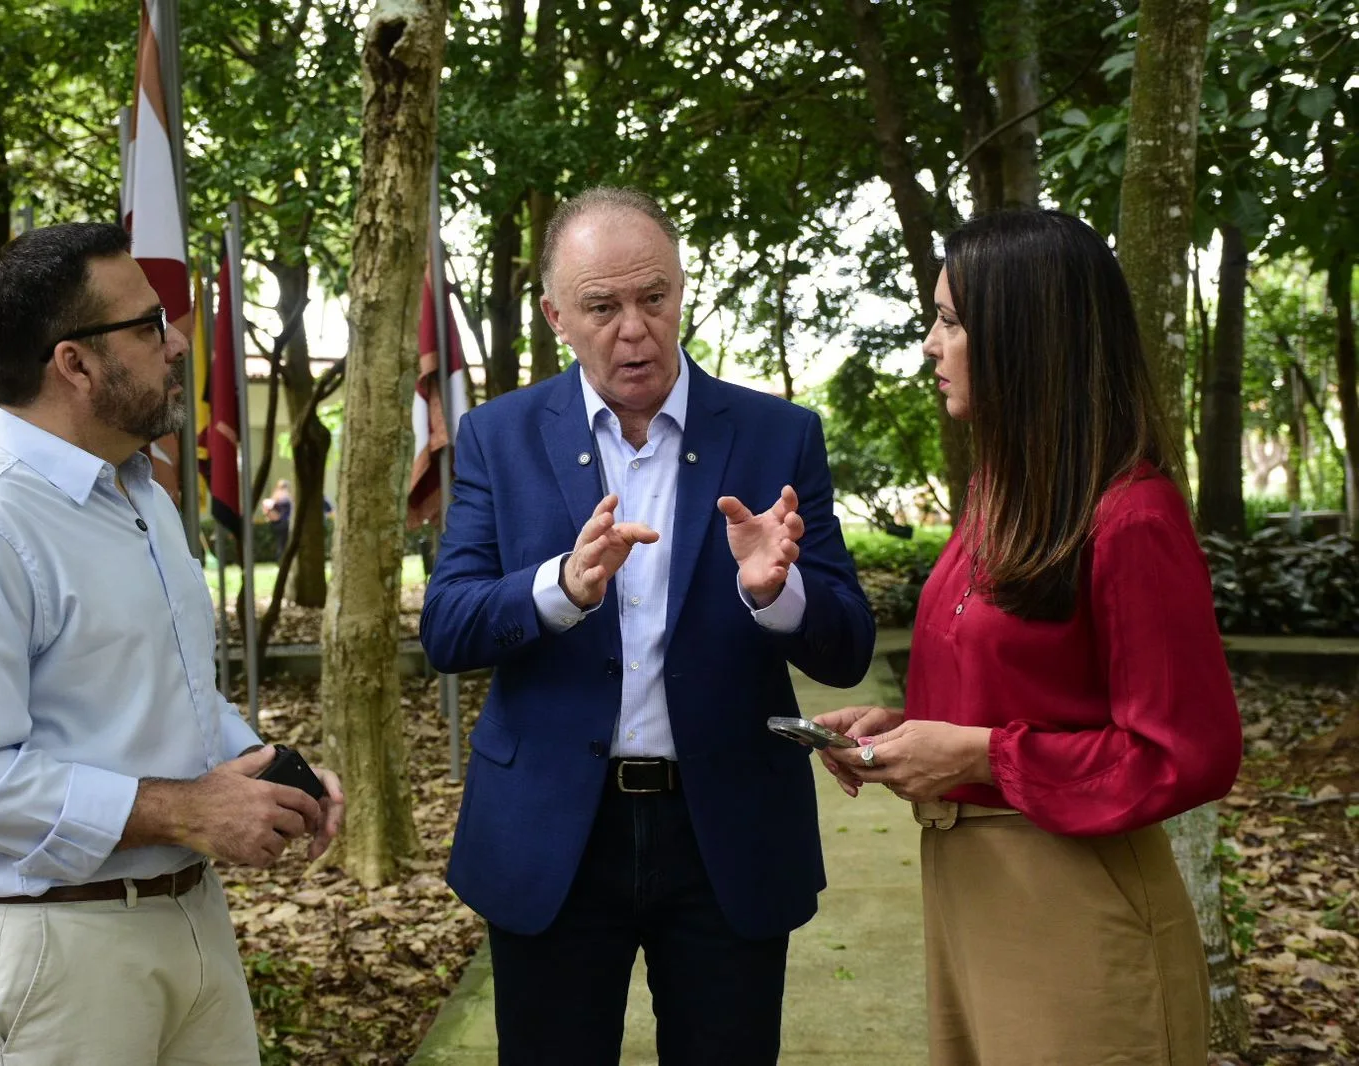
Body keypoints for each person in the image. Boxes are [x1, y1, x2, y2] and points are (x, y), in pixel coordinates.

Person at [419, 186, 875, 1064]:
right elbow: (448, 626)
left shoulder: (779, 435)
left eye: (653, 297)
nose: (635, 328)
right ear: (557, 315)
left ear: (680, 290)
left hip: (726, 834)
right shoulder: (497, 436)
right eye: (603, 306)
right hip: (553, 835)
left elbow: (849, 645)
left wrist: (773, 594)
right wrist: (562, 587)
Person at [0, 222, 344, 1066]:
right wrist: (189, 810)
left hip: (190, 921)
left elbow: (171, 694)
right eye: (148, 324)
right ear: (75, 362)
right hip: (48, 959)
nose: (175, 345)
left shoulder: (143, 495)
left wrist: (269, 770)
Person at [815, 208, 1242, 1066]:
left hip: (1075, 901)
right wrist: (899, 730)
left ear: (1025, 334)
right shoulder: (999, 501)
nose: (931, 346)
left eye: (951, 321)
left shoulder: (1130, 516)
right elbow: (1023, 689)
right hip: (967, 892)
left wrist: (978, 755)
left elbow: (1187, 753)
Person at [261, 478, 292, 559]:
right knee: (283, 544)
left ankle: (281, 558)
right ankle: (281, 559)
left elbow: (266, 509)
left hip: (277, 523)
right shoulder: (284, 496)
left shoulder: (274, 496)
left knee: (281, 543)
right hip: (283, 523)